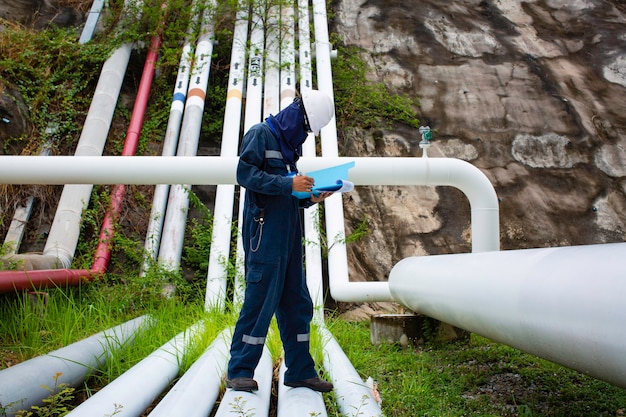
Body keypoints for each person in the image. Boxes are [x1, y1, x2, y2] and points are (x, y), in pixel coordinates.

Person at [226, 90, 335, 393]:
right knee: (260, 301)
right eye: (306, 128)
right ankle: (239, 371)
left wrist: (312, 197)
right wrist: (289, 183)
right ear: (297, 115)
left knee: (297, 303)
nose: (304, 135)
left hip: (287, 237)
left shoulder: (289, 149)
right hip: (265, 236)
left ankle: (300, 371)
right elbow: (245, 174)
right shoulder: (260, 134)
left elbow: (288, 197)